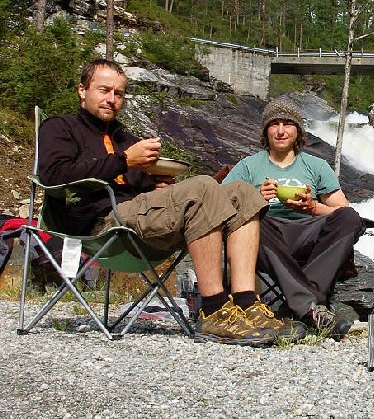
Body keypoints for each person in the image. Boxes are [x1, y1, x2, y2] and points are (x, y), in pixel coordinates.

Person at [39, 58, 306, 346]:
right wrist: (126, 160)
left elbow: (143, 185)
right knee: (203, 186)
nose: (112, 99)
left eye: (118, 94)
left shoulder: (124, 137)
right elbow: (54, 175)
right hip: (101, 221)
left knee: (243, 192)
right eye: (104, 90)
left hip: (140, 214)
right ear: (82, 90)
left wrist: (159, 182)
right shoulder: (61, 127)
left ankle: (246, 305)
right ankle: (213, 310)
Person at [223, 97, 363, 336]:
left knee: (350, 219)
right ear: (265, 131)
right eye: (273, 124)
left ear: (297, 130)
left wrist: (313, 208)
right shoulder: (248, 166)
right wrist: (256, 198)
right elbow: (220, 204)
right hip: (265, 238)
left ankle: (296, 306)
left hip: (307, 234)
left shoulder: (316, 166)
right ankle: (310, 308)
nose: (280, 131)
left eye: (287, 124)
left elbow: (343, 210)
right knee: (254, 218)